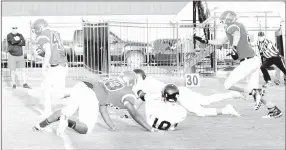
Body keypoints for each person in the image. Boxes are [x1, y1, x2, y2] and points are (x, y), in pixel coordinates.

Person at [193, 10, 282, 118]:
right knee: (255, 89)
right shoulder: (238, 25)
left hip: (248, 62)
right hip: (253, 60)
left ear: (227, 20)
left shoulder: (232, 27)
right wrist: (206, 41)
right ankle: (273, 109)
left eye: (223, 20)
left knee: (228, 84)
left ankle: (253, 92)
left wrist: (234, 46)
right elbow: (221, 42)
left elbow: (236, 34)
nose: (223, 22)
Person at [134, 84, 241, 131]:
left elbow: (144, 96)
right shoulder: (179, 111)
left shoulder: (155, 103)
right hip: (172, 93)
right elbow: (143, 96)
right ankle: (226, 109)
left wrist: (139, 92)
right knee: (201, 110)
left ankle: (230, 95)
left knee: (204, 101)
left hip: (172, 92)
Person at [31, 19, 68, 117]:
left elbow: (48, 52)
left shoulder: (41, 36)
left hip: (56, 67)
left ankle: (79, 93)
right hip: (62, 64)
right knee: (48, 88)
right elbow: (55, 49)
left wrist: (43, 68)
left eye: (35, 28)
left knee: (53, 92)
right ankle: (47, 111)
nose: (34, 30)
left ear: (40, 27)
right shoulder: (55, 32)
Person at [33, 81, 99, 136]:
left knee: (67, 111)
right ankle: (67, 122)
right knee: (86, 128)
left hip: (81, 85)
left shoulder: (100, 85)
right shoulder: (105, 94)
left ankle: (41, 125)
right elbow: (104, 113)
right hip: (89, 92)